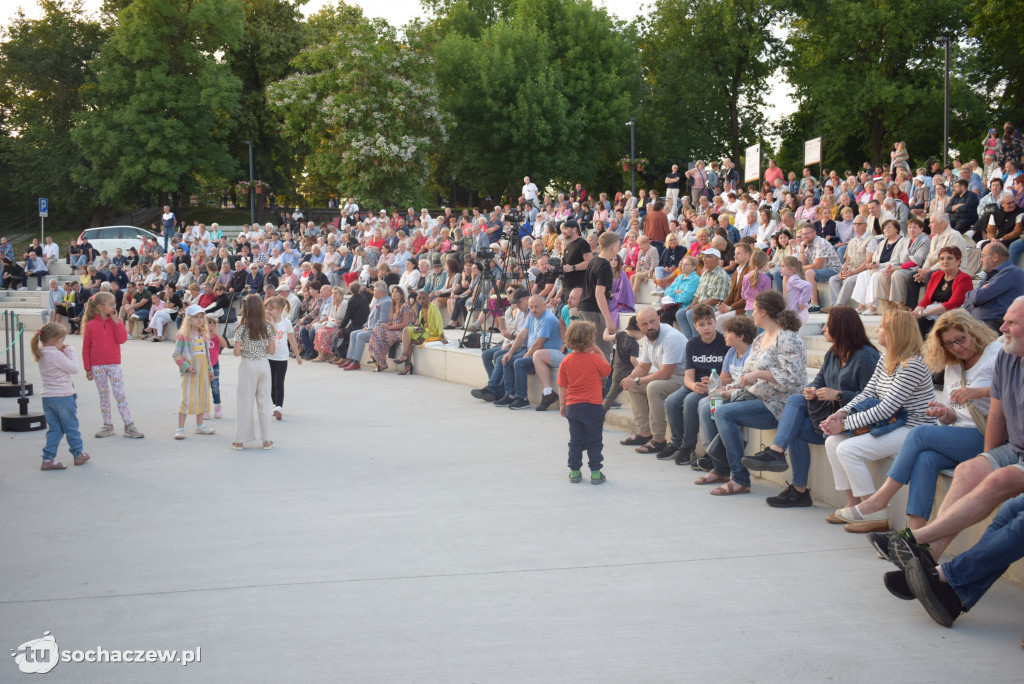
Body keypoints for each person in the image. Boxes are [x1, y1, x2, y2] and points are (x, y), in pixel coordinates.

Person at [879, 296, 1024, 628]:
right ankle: (936, 571)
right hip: (1012, 449)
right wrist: (987, 458)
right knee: (968, 471)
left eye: (1011, 323)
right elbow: (998, 417)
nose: (1002, 328)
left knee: (1007, 501)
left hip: (1006, 448)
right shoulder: (1007, 357)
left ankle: (923, 550)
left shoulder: (993, 355)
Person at [832, 309, 998, 534]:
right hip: (958, 433)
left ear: (973, 333)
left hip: (988, 434)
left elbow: (1014, 389)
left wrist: (977, 392)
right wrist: (942, 412)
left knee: (918, 434)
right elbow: (952, 416)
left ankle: (880, 500)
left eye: (961, 339)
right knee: (925, 459)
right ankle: (915, 534)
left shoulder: (995, 353)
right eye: (949, 344)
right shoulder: (952, 365)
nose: (957, 347)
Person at [744, 307, 880, 507]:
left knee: (795, 410)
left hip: (851, 421)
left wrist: (839, 395)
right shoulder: (834, 353)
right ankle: (795, 484)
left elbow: (873, 397)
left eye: (828, 325)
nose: (824, 329)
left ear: (841, 327)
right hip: (827, 416)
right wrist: (811, 390)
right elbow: (818, 380)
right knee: (797, 402)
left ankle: (777, 455)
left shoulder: (866, 356)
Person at [819, 309, 935, 517]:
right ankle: (853, 503)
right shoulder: (885, 359)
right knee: (832, 441)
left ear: (893, 332)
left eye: (881, 326)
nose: (877, 329)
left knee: (848, 449)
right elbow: (868, 392)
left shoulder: (913, 365)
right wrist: (842, 414)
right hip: (892, 423)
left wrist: (846, 425)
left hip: (912, 428)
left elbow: (887, 408)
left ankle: (873, 511)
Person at [695, 291, 807, 495]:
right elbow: (746, 376)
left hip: (778, 404)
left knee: (723, 413)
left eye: (753, 309)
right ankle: (721, 468)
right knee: (709, 404)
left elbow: (794, 378)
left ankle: (740, 478)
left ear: (763, 312)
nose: (751, 313)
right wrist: (726, 390)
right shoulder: (760, 339)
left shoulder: (787, 338)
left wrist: (760, 373)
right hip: (756, 398)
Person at [660, 305, 736, 465]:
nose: (706, 327)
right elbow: (688, 377)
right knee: (671, 402)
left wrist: (714, 382)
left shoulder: (725, 342)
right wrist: (693, 386)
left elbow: (733, 376)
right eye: (701, 325)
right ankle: (676, 443)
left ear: (715, 322)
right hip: (696, 385)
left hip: (716, 386)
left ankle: (688, 447)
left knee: (690, 401)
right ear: (695, 326)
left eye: (709, 323)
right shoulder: (692, 344)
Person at [618, 306, 687, 454]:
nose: (650, 327)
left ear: (659, 319)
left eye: (653, 322)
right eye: (645, 324)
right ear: (638, 326)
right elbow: (643, 367)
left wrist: (637, 381)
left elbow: (665, 374)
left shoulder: (671, 337)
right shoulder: (650, 337)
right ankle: (644, 433)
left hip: (685, 379)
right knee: (633, 385)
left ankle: (659, 439)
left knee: (654, 387)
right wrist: (629, 379)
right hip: (671, 378)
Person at [81, 292, 144, 440]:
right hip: (97, 366)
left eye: (114, 304)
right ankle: (107, 425)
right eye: (110, 304)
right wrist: (87, 368)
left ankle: (129, 425)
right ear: (100, 307)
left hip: (114, 364)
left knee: (120, 395)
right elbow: (86, 348)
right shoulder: (90, 325)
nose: (113, 307)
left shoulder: (116, 322)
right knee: (104, 396)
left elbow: (122, 339)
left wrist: (117, 322)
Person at [558, 321, 612, 485]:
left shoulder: (566, 361)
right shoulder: (595, 359)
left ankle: (575, 471)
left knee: (575, 440)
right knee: (594, 440)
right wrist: (600, 352)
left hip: (573, 407)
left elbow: (562, 386)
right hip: (593, 407)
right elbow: (607, 371)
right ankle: (595, 472)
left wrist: (563, 405)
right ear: (590, 340)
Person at [32, 323, 90, 471]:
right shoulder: (55, 354)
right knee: (71, 427)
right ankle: (78, 454)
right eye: (61, 341)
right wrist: (70, 351)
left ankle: (48, 458)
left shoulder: (42, 353)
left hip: (48, 397)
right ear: (53, 340)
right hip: (63, 396)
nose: (63, 344)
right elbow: (74, 368)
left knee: (55, 428)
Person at [494, 295, 563, 410]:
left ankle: (522, 399)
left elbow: (539, 343)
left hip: (545, 355)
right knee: (508, 359)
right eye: (531, 307)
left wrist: (525, 358)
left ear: (544, 305)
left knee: (519, 363)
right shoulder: (532, 315)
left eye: (536, 307)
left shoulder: (547, 319)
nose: (533, 310)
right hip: (534, 352)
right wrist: (510, 352)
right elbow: (522, 335)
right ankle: (510, 395)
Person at [232, 294, 276, 450]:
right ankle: (267, 440)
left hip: (248, 365)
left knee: (244, 402)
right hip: (264, 365)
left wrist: (246, 348)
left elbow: (236, 352)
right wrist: (260, 348)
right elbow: (272, 350)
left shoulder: (242, 328)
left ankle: (240, 440)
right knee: (264, 402)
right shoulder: (268, 327)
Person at [171, 305, 216, 440]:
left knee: (203, 396)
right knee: (187, 398)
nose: (200, 320)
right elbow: (176, 354)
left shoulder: (204, 335)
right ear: (189, 319)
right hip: (191, 372)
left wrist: (210, 369)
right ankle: (180, 428)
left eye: (201, 317)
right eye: (196, 317)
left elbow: (207, 355)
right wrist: (186, 366)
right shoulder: (183, 336)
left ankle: (200, 425)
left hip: (203, 372)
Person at [912, 246, 973, 337]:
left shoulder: (964, 278)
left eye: (949, 258)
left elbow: (953, 304)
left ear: (958, 261)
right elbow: (926, 299)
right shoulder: (936, 275)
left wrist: (923, 313)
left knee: (921, 322)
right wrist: (915, 313)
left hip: (953, 315)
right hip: (933, 312)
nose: (945, 261)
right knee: (909, 322)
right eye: (942, 259)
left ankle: (924, 350)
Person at [963, 242, 1024, 331]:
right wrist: (973, 295)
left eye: (983, 256)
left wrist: (970, 294)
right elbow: (968, 302)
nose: (981, 260)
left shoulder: (1010, 272)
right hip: (978, 323)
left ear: (995, 257)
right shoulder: (991, 274)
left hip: (996, 325)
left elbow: (978, 297)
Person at [579, 231, 619, 361]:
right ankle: (601, 381)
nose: (618, 248)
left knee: (592, 349)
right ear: (613, 247)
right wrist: (608, 319)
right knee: (604, 350)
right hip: (594, 310)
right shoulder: (604, 265)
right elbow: (598, 293)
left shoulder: (594, 260)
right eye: (618, 245)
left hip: (585, 308)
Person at [264, 296, 302, 420]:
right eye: (267, 309)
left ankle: (279, 406)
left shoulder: (286, 323)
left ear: (279, 310)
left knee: (279, 382)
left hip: (281, 357)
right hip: (268, 357)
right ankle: (275, 403)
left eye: (271, 309)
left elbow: (292, 339)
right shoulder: (266, 323)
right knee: (270, 383)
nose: (268, 312)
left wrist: (297, 355)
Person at [342, 281, 392, 371]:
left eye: (375, 290)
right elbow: (370, 317)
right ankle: (351, 359)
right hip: (371, 328)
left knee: (360, 335)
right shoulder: (379, 300)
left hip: (379, 330)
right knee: (353, 334)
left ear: (380, 291)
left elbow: (383, 320)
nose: (373, 292)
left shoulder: (386, 302)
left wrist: (370, 328)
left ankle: (356, 362)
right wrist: (365, 325)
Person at [396, 290, 447, 376]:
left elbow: (439, 322)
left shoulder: (433, 307)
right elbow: (422, 327)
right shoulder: (421, 311)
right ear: (417, 300)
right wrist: (415, 328)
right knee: (408, 332)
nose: (422, 300)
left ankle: (405, 358)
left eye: (424, 298)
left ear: (429, 299)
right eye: (419, 299)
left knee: (408, 334)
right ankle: (407, 364)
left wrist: (442, 337)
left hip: (432, 333)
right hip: (425, 332)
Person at [601, 315, 642, 414]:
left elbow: (605, 337)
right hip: (628, 374)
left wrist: (607, 327)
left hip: (616, 372)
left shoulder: (620, 335)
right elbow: (633, 360)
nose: (643, 336)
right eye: (642, 333)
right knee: (641, 391)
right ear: (636, 330)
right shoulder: (634, 344)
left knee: (611, 395)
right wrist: (641, 369)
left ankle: (599, 415)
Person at [368, 284, 415, 372]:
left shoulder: (405, 306)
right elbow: (393, 321)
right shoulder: (394, 306)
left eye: (396, 292)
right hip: (395, 330)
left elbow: (405, 324)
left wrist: (389, 328)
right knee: (377, 329)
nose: (393, 294)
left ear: (401, 295)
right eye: (393, 292)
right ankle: (376, 358)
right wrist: (387, 325)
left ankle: (379, 361)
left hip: (403, 332)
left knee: (383, 336)